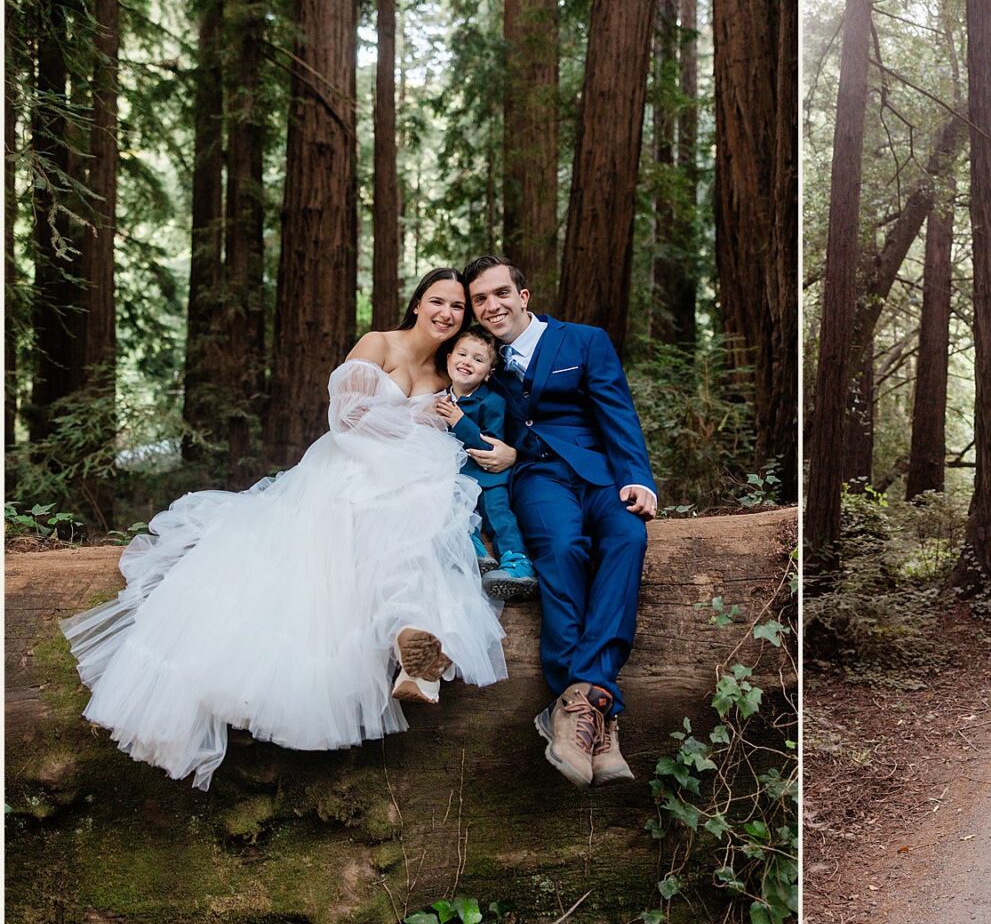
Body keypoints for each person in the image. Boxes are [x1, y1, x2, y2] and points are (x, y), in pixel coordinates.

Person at [60, 269, 509, 790]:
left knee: (408, 526)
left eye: (457, 308)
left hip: (409, 479)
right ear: (417, 304)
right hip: (344, 468)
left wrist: (496, 447)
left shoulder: (447, 374)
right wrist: (416, 424)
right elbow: (347, 416)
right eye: (438, 301)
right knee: (358, 526)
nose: (447, 314)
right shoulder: (378, 343)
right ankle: (409, 637)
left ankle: (414, 643)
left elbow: (467, 432)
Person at [461, 255, 656, 790]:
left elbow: (618, 414)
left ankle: (578, 702)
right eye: (480, 299)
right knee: (564, 548)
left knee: (628, 536)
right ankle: (593, 707)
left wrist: (639, 479)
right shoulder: (482, 362)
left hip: (599, 475)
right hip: (538, 479)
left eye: (500, 293)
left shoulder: (584, 341)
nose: (491, 305)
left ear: (524, 296)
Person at [433, 325, 535, 591]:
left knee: (499, 516)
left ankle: (517, 561)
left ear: (489, 372)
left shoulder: (492, 402)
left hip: (489, 476)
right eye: (462, 355)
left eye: (478, 360)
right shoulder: (440, 398)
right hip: (456, 477)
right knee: (455, 511)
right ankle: (475, 551)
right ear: (449, 358)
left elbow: (488, 447)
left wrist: (458, 420)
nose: (467, 362)